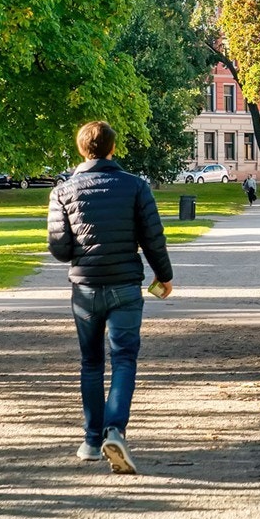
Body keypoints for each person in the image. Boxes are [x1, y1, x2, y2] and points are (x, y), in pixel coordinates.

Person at [47, 120, 172, 475]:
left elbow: (58, 248)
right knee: (124, 360)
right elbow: (153, 238)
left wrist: (81, 250)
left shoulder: (63, 191)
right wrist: (164, 275)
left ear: (81, 149)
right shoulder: (135, 187)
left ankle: (90, 440)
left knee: (90, 363)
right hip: (125, 286)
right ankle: (114, 430)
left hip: (85, 287)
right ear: (112, 149)